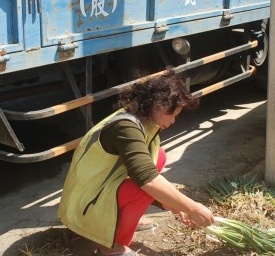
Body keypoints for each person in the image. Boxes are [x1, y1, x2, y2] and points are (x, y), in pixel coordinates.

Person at [58, 69, 215, 256]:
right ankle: (110, 248)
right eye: (172, 113)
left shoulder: (145, 120)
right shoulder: (126, 127)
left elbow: (141, 172)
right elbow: (146, 179)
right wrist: (192, 207)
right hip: (82, 205)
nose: (173, 120)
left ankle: (123, 219)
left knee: (159, 156)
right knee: (143, 187)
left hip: (96, 193)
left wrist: (172, 206)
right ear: (158, 104)